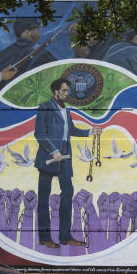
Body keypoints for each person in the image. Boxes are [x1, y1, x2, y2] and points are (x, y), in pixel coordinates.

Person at [34, 78, 102, 248]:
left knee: (68, 192)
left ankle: (64, 236)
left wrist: (89, 131)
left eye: (67, 91)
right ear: (55, 91)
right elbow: (40, 134)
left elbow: (71, 130)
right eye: (63, 91)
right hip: (49, 156)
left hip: (65, 154)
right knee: (43, 197)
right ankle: (44, 237)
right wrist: (53, 151)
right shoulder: (45, 107)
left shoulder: (66, 110)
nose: (66, 94)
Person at [0, 18, 57, 93]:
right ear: (26, 32)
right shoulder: (42, 53)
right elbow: (59, 73)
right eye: (37, 29)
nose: (39, 34)